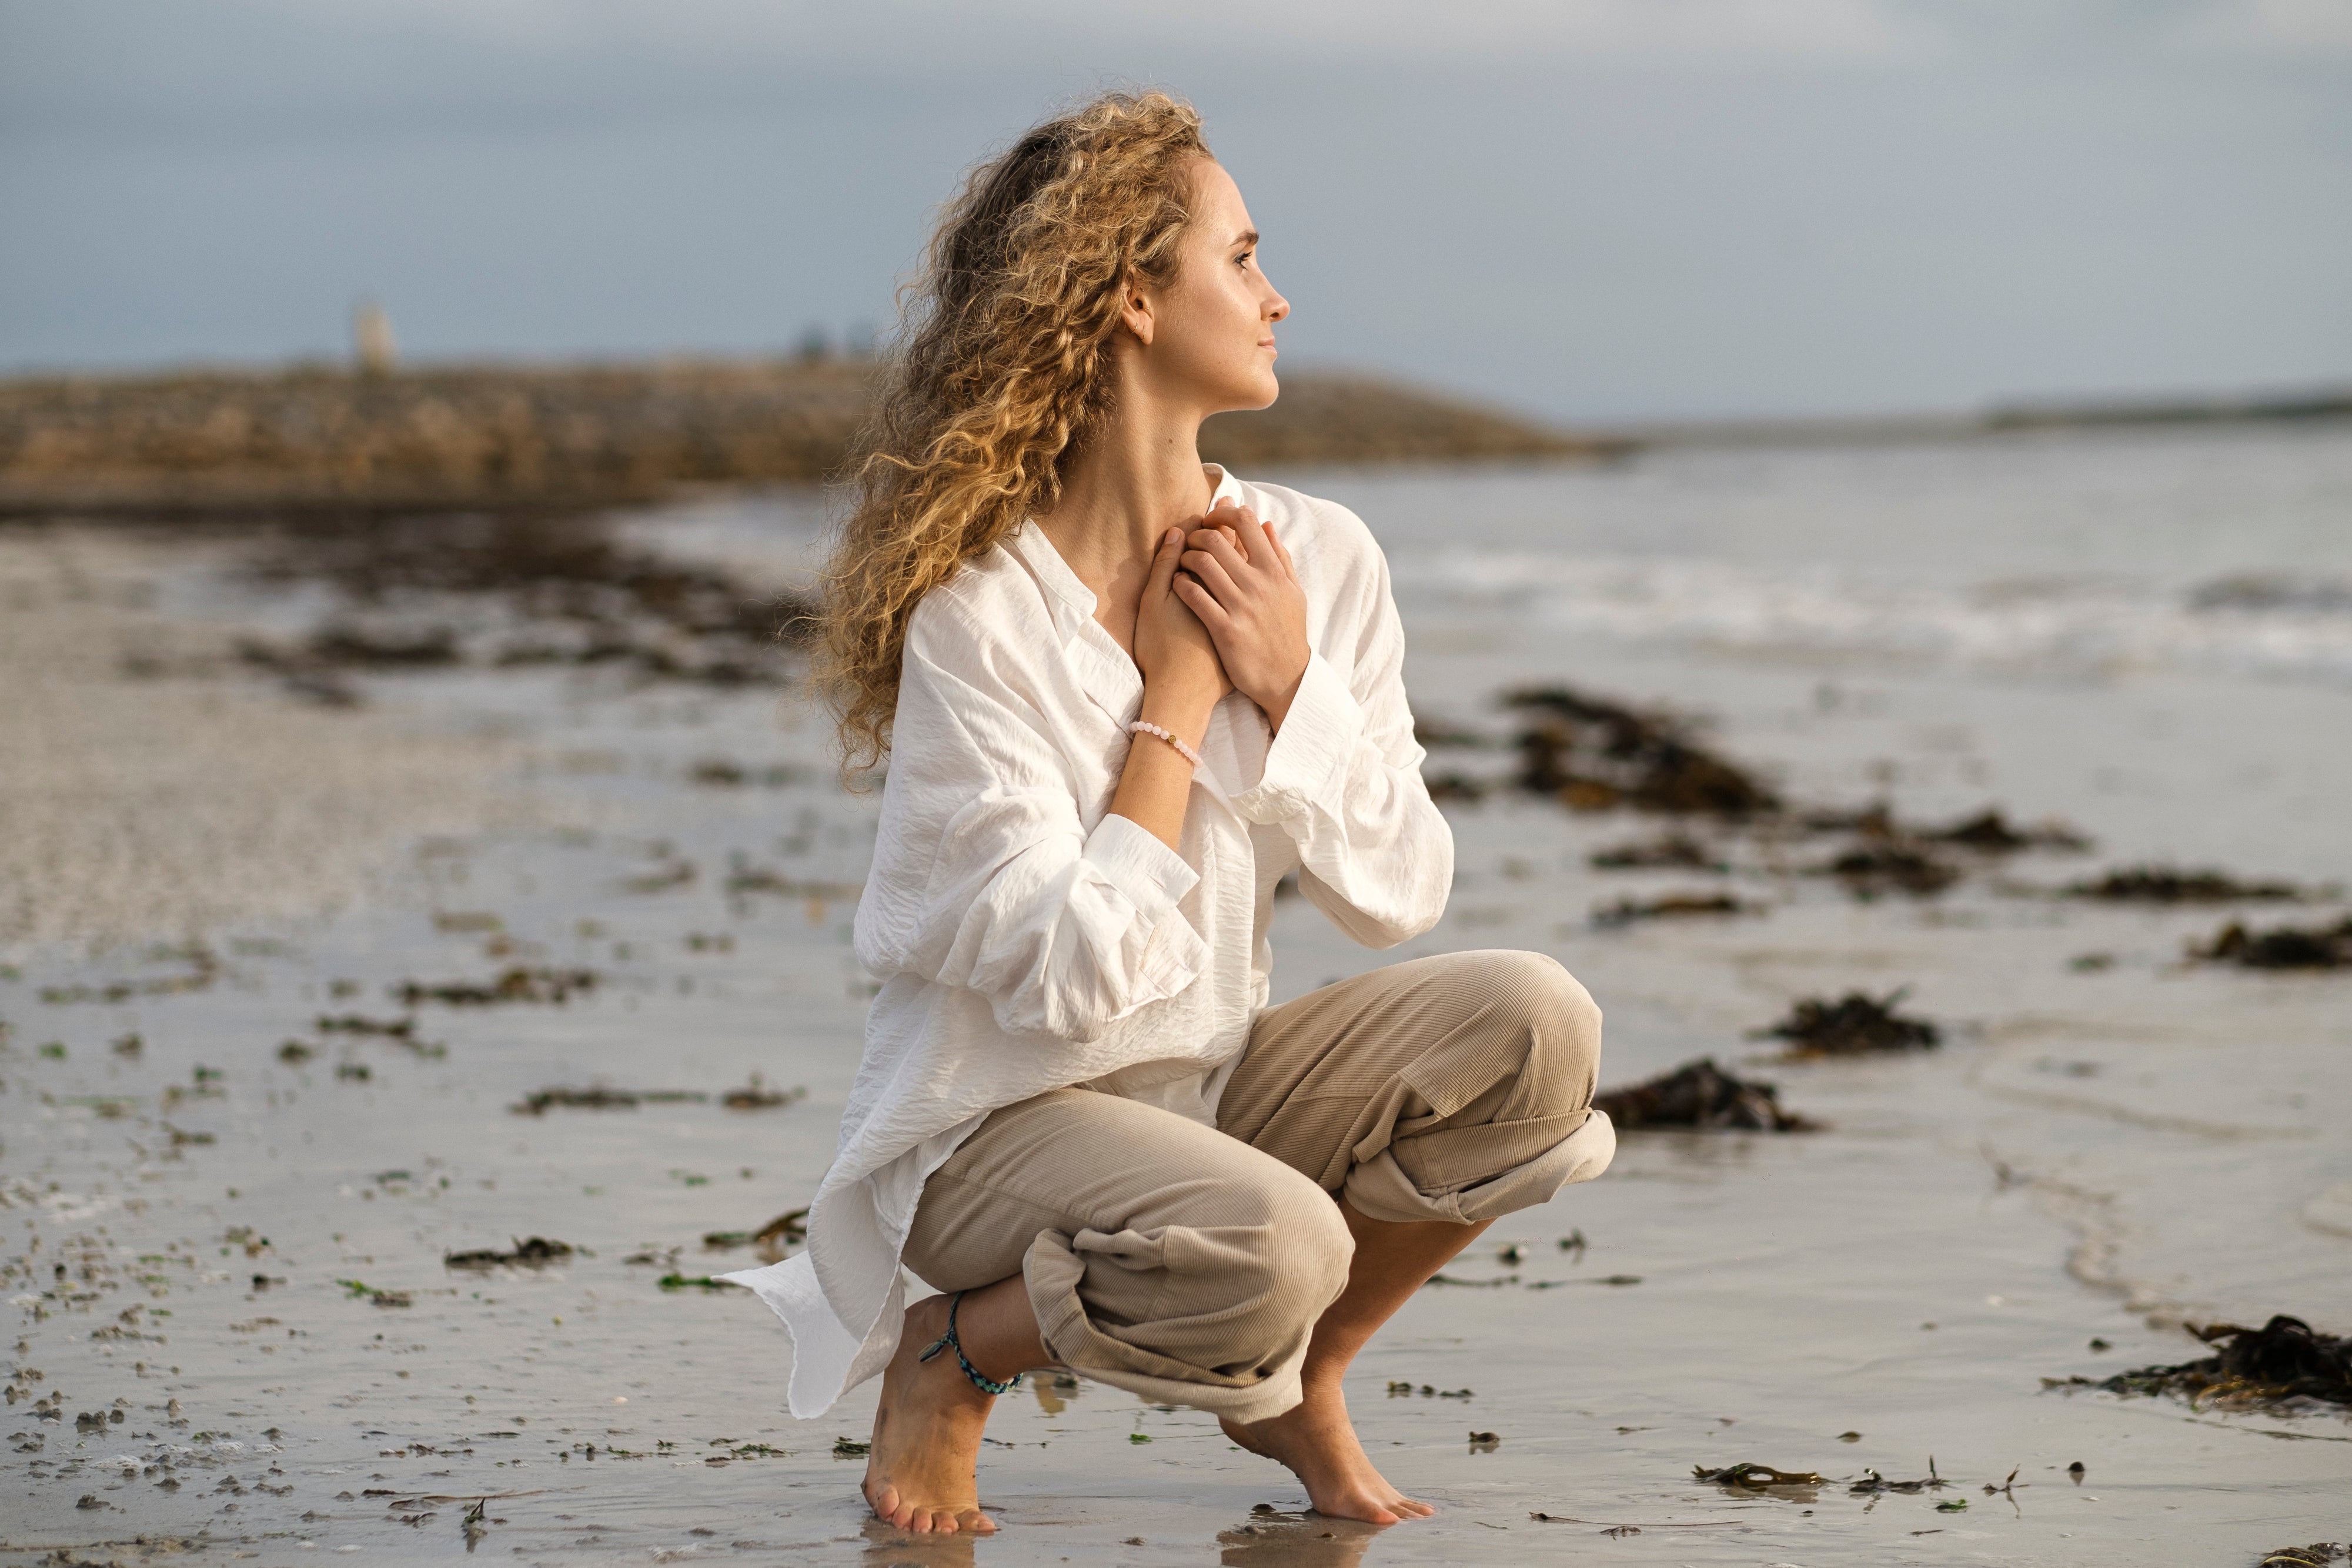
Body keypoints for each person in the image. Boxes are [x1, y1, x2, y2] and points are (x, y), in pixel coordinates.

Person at [722, 89, 1615, 1536]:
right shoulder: (981, 618)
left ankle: (1296, 1374)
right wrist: (1178, 705)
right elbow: (1074, 979)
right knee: (1276, 1237)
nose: (1276, 297)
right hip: (990, 1134)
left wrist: (1286, 677)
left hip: (1198, 1085)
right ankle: (947, 1361)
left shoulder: (1314, 556)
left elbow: (1402, 889)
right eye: (1242, 258)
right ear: (1133, 296)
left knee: (1537, 1025)